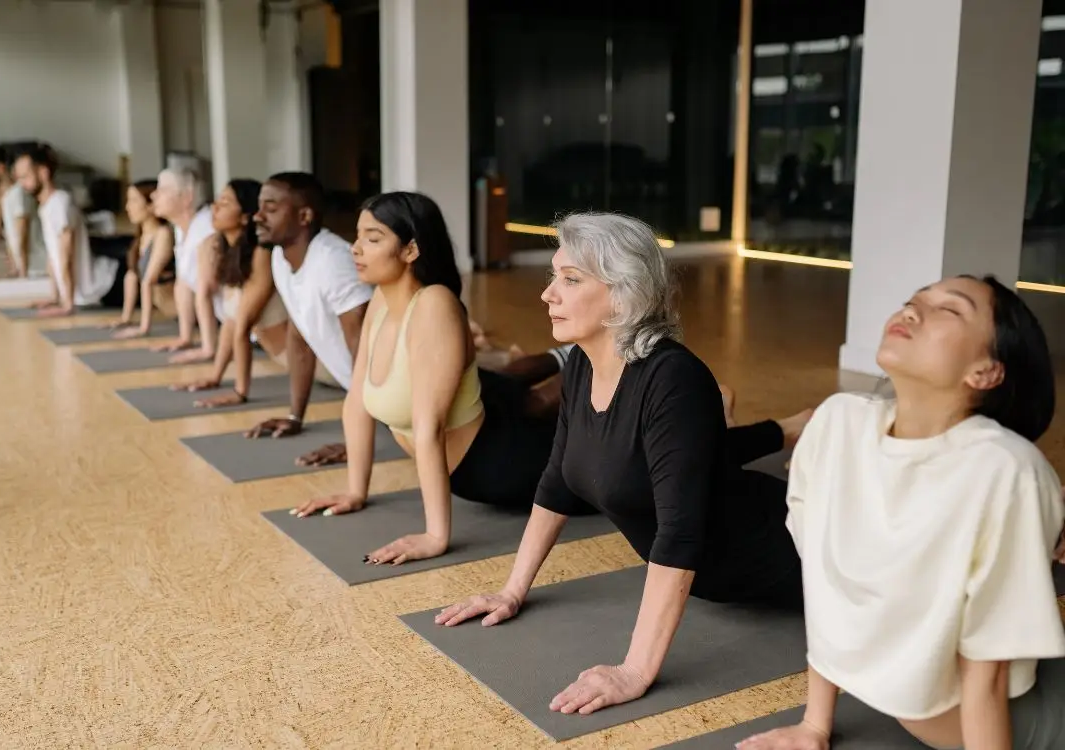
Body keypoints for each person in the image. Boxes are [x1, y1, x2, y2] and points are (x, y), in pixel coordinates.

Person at [433, 211, 814, 718]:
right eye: (554, 276)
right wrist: (511, 589)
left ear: (622, 294)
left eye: (570, 279)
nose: (549, 293)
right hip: (722, 581)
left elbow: (680, 534)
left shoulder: (673, 379)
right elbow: (556, 482)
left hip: (794, 553)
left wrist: (635, 670)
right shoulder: (581, 369)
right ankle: (790, 430)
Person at [736, 275, 1065, 750]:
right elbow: (826, 579)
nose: (912, 311)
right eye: (914, 301)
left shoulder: (1004, 470)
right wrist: (814, 726)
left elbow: (988, 677)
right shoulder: (838, 422)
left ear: (987, 371)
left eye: (949, 310)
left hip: (1022, 722)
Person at [289, 191, 596, 565]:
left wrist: (436, 535)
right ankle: (572, 358)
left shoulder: (434, 305)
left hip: (502, 461)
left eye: (372, 238)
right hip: (486, 415)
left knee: (599, 471)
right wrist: (355, 490)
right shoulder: (382, 302)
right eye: (357, 236)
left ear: (411, 250)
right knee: (511, 387)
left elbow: (429, 427)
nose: (355, 248)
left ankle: (604, 358)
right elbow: (357, 401)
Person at [241, 172, 373, 439]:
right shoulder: (280, 257)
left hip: (405, 402)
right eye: (259, 207)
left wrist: (358, 442)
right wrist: (295, 416)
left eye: (271, 208)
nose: (257, 216)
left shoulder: (334, 263)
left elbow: (368, 353)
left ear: (304, 217)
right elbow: (299, 336)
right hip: (372, 402)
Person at [169, 178, 293, 406]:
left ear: (246, 216)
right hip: (286, 361)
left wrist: (239, 392)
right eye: (217, 200)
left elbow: (243, 325)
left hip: (314, 362)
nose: (215, 208)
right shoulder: (230, 252)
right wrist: (215, 376)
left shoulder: (261, 253)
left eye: (225, 202)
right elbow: (231, 320)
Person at [16, 147, 122, 316]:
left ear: (43, 172)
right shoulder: (46, 206)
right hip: (87, 293)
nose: (22, 183)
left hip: (107, 286)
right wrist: (55, 296)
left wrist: (67, 304)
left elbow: (67, 256)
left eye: (25, 176)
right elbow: (54, 258)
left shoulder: (59, 203)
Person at [149, 166, 217, 362]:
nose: (153, 195)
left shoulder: (207, 227)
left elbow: (205, 290)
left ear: (186, 197)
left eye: (162, 190)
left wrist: (207, 348)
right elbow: (184, 284)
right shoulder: (181, 228)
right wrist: (185, 337)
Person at [108, 179, 176, 338]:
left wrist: (143, 329)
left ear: (151, 204)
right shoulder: (141, 237)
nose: (127, 207)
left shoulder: (163, 234)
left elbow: (148, 280)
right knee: (131, 275)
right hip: (165, 310)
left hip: (180, 311)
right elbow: (132, 277)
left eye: (133, 201)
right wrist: (126, 318)